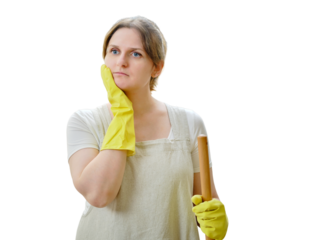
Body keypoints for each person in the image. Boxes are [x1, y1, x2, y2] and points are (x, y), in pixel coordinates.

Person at [66, 14, 229, 240]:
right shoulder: (84, 121)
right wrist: (123, 115)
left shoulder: (189, 122)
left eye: (135, 54)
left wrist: (215, 218)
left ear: (157, 68)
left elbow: (206, 197)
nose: (121, 62)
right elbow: (99, 194)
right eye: (114, 51)